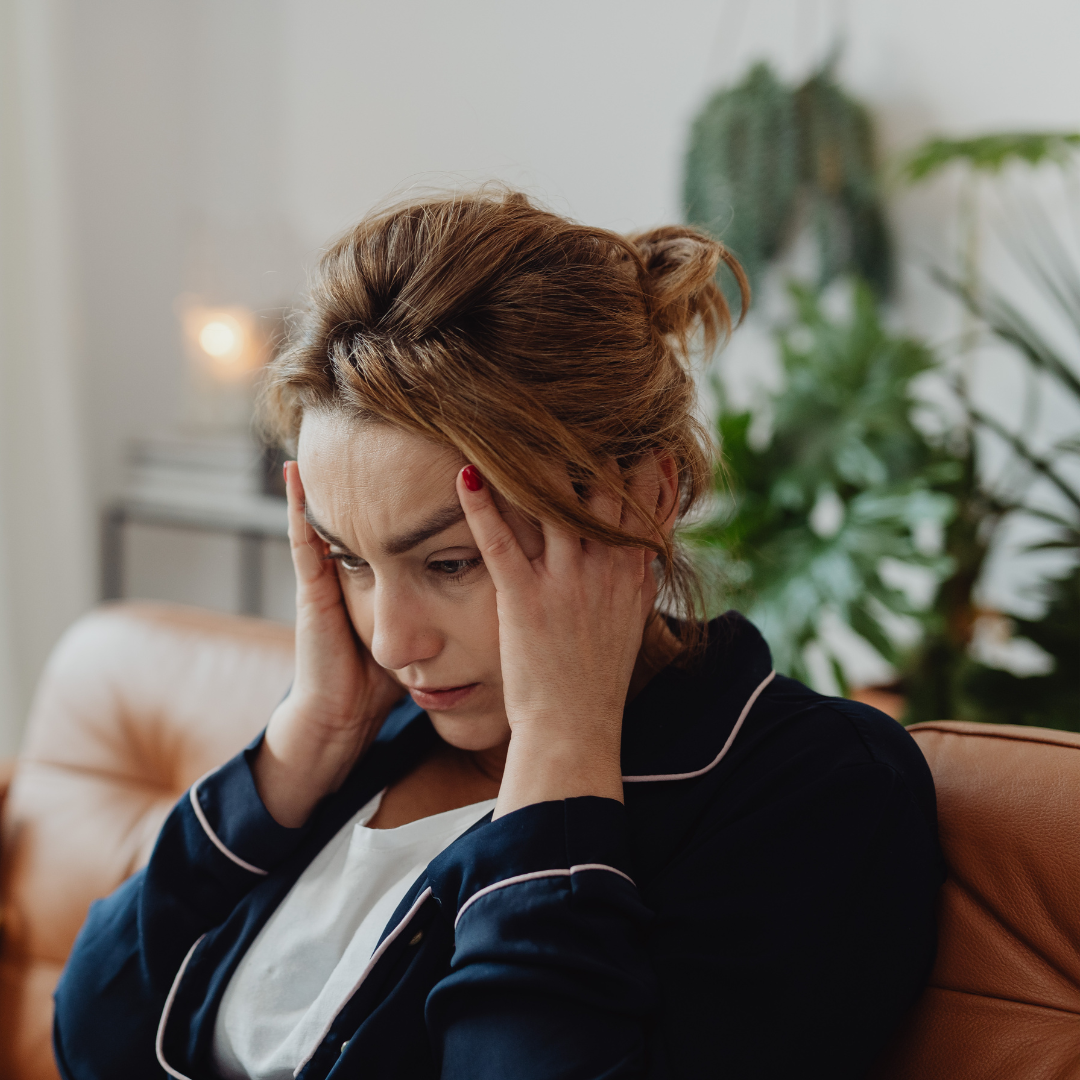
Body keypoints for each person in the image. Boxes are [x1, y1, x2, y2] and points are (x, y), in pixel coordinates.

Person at [54, 190, 944, 1080]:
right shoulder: (374, 740)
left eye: (448, 563)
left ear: (648, 497)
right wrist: (303, 742)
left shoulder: (812, 790)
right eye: (350, 560)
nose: (393, 642)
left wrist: (565, 746)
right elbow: (91, 1035)